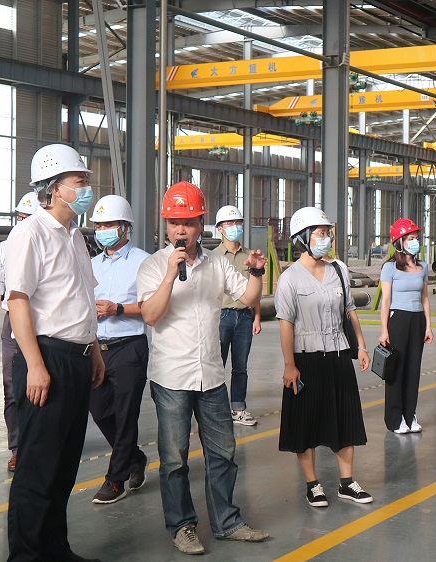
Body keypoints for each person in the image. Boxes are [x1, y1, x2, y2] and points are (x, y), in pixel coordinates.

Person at [136, 181, 269, 555]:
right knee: (174, 459)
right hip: (171, 377)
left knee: (223, 453)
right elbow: (150, 315)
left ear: (201, 225)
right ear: (166, 224)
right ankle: (182, 526)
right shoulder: (152, 266)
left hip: (210, 375)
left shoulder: (218, 263)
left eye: (188, 222)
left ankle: (227, 522)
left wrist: (257, 272)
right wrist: (169, 275)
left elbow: (249, 296)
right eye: (174, 223)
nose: (181, 230)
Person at [5, 143, 104, 562]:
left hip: (77, 357)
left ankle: (55, 550)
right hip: (47, 358)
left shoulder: (75, 237)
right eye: (79, 181)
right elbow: (18, 302)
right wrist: (35, 365)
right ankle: (25, 556)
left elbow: (82, 298)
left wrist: (93, 349)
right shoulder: (29, 234)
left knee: (64, 465)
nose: (86, 189)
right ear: (53, 188)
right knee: (37, 468)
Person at [276, 206, 373, 508]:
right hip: (306, 360)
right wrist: (290, 365)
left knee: (345, 420)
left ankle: (347, 482)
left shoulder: (339, 270)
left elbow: (350, 311)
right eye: (320, 233)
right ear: (303, 238)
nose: (326, 239)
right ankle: (313, 484)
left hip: (338, 356)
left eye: (327, 233)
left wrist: (361, 346)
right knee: (305, 424)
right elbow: (285, 324)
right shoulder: (290, 279)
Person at [87, 195, 151, 505]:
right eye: (98, 226)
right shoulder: (91, 265)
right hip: (97, 348)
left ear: (125, 226)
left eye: (109, 225)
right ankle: (135, 458)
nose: (102, 231)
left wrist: (118, 309)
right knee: (99, 410)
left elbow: (154, 307)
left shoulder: (144, 262)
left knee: (126, 416)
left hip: (129, 348)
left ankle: (115, 480)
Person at [0, 192, 39, 472]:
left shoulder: (48, 245)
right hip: (12, 323)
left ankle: (40, 443)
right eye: (20, 217)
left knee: (41, 383)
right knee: (11, 387)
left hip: (42, 321)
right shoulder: (4, 249)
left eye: (28, 217)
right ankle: (18, 448)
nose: (22, 222)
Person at [378, 218, 433, 434]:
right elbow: (385, 301)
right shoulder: (389, 268)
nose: (415, 241)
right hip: (398, 320)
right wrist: (384, 329)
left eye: (416, 238)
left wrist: (428, 326)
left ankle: (410, 415)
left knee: (413, 369)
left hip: (417, 320)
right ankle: (395, 418)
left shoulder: (423, 267)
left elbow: (425, 298)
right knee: (397, 370)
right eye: (410, 238)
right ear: (399, 242)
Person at [213, 205, 262, 426]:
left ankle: (238, 409)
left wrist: (257, 317)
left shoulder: (250, 256)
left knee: (240, 366)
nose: (235, 227)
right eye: (230, 223)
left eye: (238, 223)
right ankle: (214, 410)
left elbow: (255, 292)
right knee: (217, 365)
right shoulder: (213, 257)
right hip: (220, 318)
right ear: (220, 228)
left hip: (244, 318)